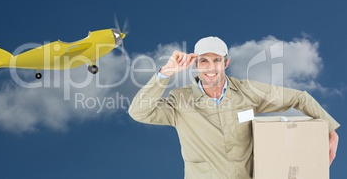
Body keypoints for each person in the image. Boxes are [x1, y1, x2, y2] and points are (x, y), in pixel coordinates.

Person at [128, 36, 340, 179]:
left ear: (226, 63)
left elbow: (299, 98)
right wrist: (166, 73)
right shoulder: (180, 101)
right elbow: (138, 111)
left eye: (216, 60)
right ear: (195, 64)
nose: (210, 68)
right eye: (203, 61)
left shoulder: (248, 92)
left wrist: (330, 129)